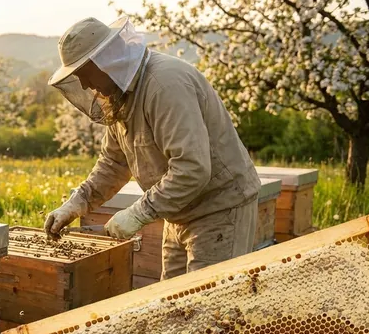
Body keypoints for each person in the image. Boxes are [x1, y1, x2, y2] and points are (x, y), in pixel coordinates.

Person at [43, 16, 262, 280]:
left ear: (104, 60)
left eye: (85, 74)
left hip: (218, 208)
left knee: (207, 307)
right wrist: (77, 202)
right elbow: (113, 163)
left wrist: (139, 212)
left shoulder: (164, 85)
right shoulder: (120, 97)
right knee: (171, 305)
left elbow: (192, 168)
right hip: (178, 212)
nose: (87, 86)